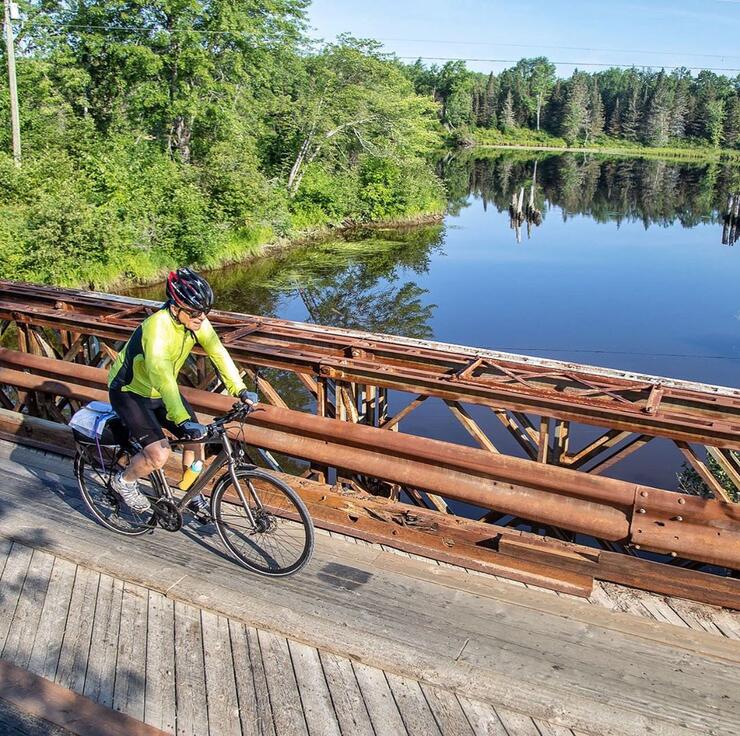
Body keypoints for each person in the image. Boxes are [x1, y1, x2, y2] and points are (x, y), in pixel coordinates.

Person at [107, 267, 256, 519]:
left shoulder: (196, 322)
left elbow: (218, 353)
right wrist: (182, 419)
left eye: (205, 312)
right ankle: (124, 481)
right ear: (176, 307)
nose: (201, 318)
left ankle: (190, 490)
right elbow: (163, 377)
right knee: (159, 454)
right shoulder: (156, 329)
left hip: (161, 393)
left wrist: (239, 389)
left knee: (197, 441)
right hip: (130, 392)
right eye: (195, 312)